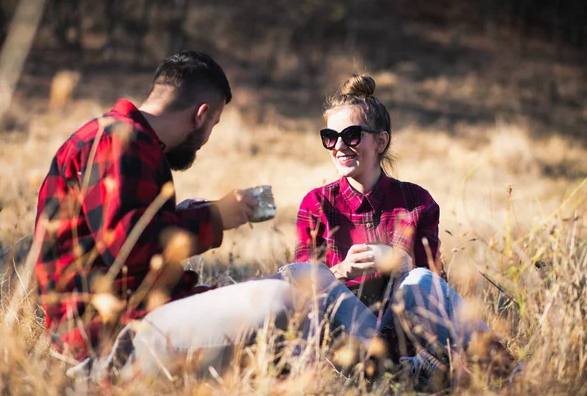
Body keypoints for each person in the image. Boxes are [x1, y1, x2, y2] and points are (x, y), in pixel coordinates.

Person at [34, 51, 382, 380]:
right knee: (280, 300)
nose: (207, 136)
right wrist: (215, 217)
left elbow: (128, 243)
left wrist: (190, 215)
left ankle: (392, 362)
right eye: (213, 123)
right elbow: (124, 247)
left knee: (309, 275)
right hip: (108, 344)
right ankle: (321, 376)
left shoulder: (131, 143)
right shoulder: (118, 138)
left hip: (146, 315)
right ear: (201, 115)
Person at [293, 74, 515, 388]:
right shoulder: (316, 204)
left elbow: (435, 294)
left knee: (421, 279)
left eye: (352, 135)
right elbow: (300, 293)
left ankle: (509, 374)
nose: (339, 146)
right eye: (330, 137)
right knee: (296, 274)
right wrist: (339, 271)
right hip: (345, 337)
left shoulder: (416, 202)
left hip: (402, 330)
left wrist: (404, 266)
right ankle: (394, 372)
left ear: (381, 141)